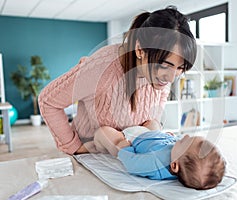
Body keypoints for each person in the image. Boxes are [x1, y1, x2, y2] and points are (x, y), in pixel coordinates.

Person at [38, 6, 197, 155]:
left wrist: (152, 127)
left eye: (180, 68)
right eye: (164, 65)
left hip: (129, 154)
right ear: (140, 50)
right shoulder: (101, 68)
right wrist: (74, 147)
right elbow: (48, 101)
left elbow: (157, 104)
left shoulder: (164, 76)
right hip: (92, 155)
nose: (171, 78)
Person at [91, 125, 226, 190]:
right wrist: (171, 138)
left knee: (104, 132)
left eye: (185, 141)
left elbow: (132, 164)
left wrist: (125, 148)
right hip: (152, 135)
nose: (184, 136)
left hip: (132, 140)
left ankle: (96, 146)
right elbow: (177, 143)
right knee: (153, 122)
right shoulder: (179, 155)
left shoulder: (155, 164)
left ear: (174, 165)